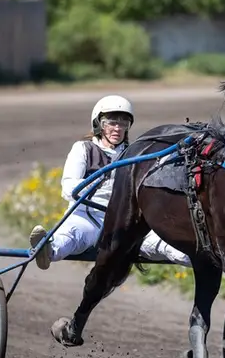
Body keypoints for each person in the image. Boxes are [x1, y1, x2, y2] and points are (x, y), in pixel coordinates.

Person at [28, 94, 191, 269]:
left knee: (172, 246)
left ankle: (204, 258)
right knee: (71, 235)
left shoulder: (135, 154)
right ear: (98, 124)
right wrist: (102, 182)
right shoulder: (83, 148)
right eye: (111, 122)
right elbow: (68, 189)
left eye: (123, 123)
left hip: (125, 223)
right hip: (87, 218)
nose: (117, 128)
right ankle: (48, 249)